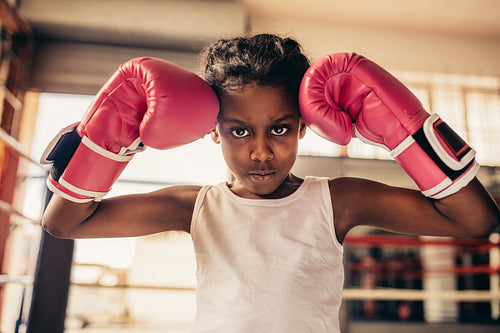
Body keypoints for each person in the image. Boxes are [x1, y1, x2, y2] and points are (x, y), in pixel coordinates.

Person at [41, 34, 500, 332]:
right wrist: (106, 140)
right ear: (211, 130)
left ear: (303, 126)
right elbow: (63, 223)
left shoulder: (339, 200)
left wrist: (406, 134)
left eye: (279, 128)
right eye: (239, 131)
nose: (261, 152)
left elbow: (475, 220)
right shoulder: (194, 206)